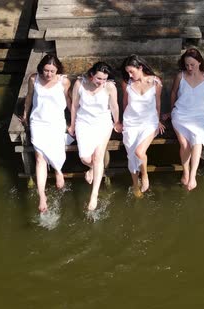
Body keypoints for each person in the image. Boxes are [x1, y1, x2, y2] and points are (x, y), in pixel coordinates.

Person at [168, 48, 204, 191]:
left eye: (192, 64)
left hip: (199, 115)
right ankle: (185, 172)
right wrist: (170, 111)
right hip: (181, 114)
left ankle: (193, 177)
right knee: (184, 143)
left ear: (199, 62)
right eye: (186, 65)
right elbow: (173, 92)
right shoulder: (180, 76)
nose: (189, 68)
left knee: (198, 137)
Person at [21, 54, 72, 213]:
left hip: (56, 121)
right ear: (41, 68)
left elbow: (69, 101)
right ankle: (42, 195)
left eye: (52, 71)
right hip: (38, 120)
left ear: (58, 70)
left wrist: (74, 121)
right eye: (46, 70)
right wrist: (25, 114)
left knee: (56, 148)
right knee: (39, 156)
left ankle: (58, 171)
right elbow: (29, 97)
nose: (48, 74)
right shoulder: (34, 79)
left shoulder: (64, 81)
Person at [68, 62, 122, 210]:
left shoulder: (109, 86)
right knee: (85, 158)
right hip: (84, 122)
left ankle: (94, 196)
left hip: (102, 123)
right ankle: (93, 168)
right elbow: (74, 106)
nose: (101, 82)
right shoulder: (80, 83)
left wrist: (117, 121)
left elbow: (114, 106)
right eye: (99, 79)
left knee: (98, 157)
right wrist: (72, 125)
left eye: (104, 79)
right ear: (92, 75)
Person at [120, 55, 165, 197]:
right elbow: (125, 103)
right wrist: (122, 121)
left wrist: (157, 120)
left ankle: (144, 176)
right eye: (127, 72)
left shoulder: (156, 81)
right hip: (131, 122)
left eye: (132, 71)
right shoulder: (126, 83)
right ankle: (135, 184)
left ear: (140, 68)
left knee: (139, 152)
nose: (129, 75)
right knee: (131, 155)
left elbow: (157, 103)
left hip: (149, 122)